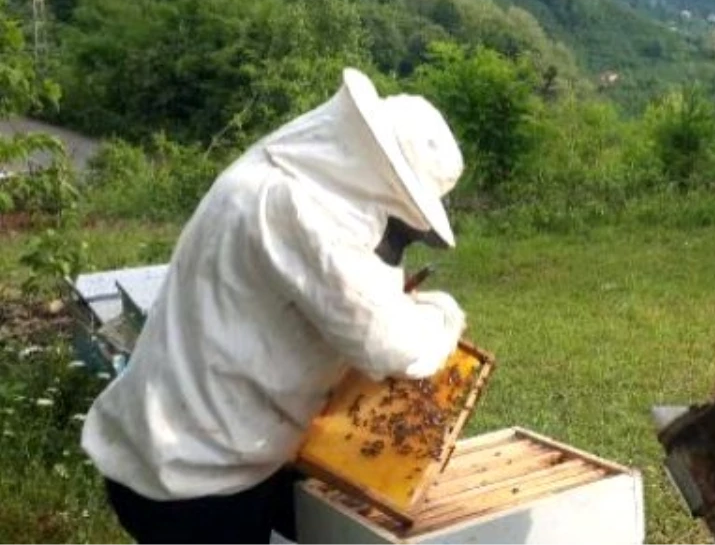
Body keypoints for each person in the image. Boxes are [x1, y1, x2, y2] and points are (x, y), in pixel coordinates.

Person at [81, 68, 470, 544]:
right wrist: (443, 313)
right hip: (197, 478)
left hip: (186, 448)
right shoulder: (302, 212)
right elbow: (391, 345)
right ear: (388, 182)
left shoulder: (270, 175)